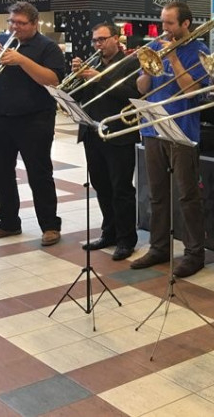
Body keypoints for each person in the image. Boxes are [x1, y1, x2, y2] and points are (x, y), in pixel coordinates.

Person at [0, 2, 65, 246]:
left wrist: (22, 60)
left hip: (34, 120)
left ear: (34, 24)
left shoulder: (48, 47)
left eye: (21, 23)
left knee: (39, 173)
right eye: (12, 21)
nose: (15, 27)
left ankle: (49, 225)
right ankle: (8, 222)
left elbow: (53, 80)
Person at [130, 1, 208, 278]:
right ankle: (159, 247)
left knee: (188, 195)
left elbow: (192, 91)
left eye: (170, 23)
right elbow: (142, 88)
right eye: (162, 22)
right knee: (157, 194)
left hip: (182, 131)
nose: (164, 28)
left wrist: (173, 58)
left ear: (185, 23)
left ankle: (195, 253)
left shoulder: (199, 51)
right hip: (153, 128)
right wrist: (146, 68)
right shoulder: (155, 47)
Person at [71, 23, 140, 261]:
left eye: (102, 39)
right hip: (92, 133)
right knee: (101, 186)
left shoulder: (130, 63)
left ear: (116, 38)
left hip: (119, 134)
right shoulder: (93, 64)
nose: (98, 44)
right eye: (95, 40)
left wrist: (99, 78)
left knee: (121, 188)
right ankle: (109, 232)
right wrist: (77, 78)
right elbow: (76, 97)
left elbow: (133, 94)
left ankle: (126, 239)